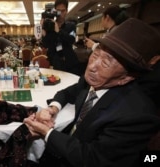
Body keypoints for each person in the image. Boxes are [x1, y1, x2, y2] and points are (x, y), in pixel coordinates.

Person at [24, 18, 160, 167]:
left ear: (126, 77)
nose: (92, 66)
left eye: (106, 62)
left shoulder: (137, 116)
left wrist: (48, 133)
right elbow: (67, 93)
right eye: (96, 54)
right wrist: (53, 108)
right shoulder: (92, 79)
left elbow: (94, 159)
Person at [41, 0, 80, 75]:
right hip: (56, 62)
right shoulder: (50, 26)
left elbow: (71, 40)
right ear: (54, 11)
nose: (61, 13)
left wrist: (59, 31)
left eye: (63, 10)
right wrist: (43, 32)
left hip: (69, 62)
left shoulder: (71, 26)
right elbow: (46, 45)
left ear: (67, 11)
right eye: (58, 11)